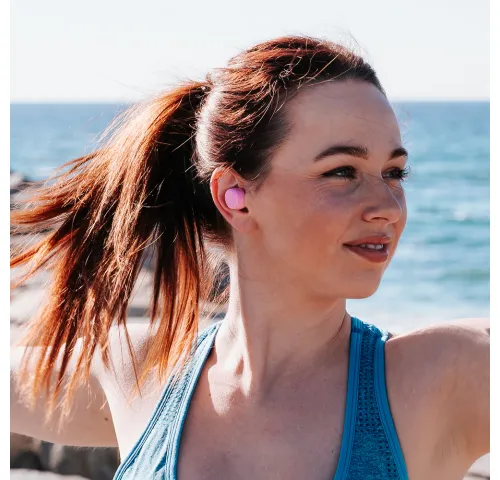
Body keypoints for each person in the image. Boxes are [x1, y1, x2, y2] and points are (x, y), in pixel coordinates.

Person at [10, 35, 489, 479]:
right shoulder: (139, 370)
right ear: (235, 196)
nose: (388, 206)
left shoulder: (445, 376)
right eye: (342, 171)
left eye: (394, 173)